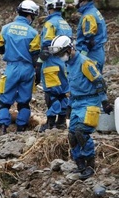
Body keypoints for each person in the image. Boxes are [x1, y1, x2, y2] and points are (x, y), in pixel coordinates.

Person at [48, 35, 113, 180]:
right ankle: (80, 165)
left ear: (70, 48)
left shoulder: (85, 63)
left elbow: (99, 82)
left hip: (90, 102)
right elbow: (73, 87)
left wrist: (105, 102)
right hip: (77, 103)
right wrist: (69, 107)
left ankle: (90, 165)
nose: (61, 57)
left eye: (61, 53)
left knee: (81, 132)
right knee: (72, 135)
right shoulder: (68, 65)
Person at [0, 0, 41, 134]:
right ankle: (21, 128)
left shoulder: (6, 28)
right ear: (30, 15)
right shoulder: (33, 33)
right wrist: (37, 72)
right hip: (28, 69)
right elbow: (35, 55)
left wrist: (10, 51)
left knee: (4, 101)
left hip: (11, 68)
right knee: (24, 102)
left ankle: (3, 127)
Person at [39, 0, 73, 131]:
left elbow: (47, 46)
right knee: (62, 93)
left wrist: (38, 63)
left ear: (49, 6)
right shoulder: (66, 24)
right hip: (64, 64)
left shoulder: (50, 24)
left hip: (51, 64)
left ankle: (50, 122)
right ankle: (61, 121)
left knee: (51, 94)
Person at [72, 0, 108, 73]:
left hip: (91, 56)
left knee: (88, 85)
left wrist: (81, 58)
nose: (75, 0)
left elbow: (88, 41)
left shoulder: (89, 16)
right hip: (97, 53)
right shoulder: (93, 11)